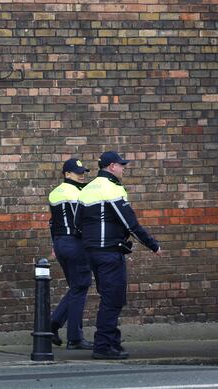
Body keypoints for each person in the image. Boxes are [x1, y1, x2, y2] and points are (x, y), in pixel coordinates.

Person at [76, 151, 163, 360]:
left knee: (109, 297)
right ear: (112, 166)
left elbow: (78, 224)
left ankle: (112, 342)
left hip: (92, 251)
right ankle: (103, 346)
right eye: (121, 165)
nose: (123, 168)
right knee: (113, 299)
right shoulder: (112, 188)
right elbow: (130, 223)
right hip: (109, 252)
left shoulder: (87, 189)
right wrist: (153, 246)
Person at [48, 158, 93, 350]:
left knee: (76, 287)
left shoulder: (54, 193)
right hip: (75, 243)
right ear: (67, 174)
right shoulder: (79, 193)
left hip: (60, 243)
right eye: (77, 172)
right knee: (81, 285)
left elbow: (52, 222)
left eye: (82, 172)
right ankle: (74, 337)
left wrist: (54, 244)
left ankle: (53, 325)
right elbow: (81, 223)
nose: (81, 175)